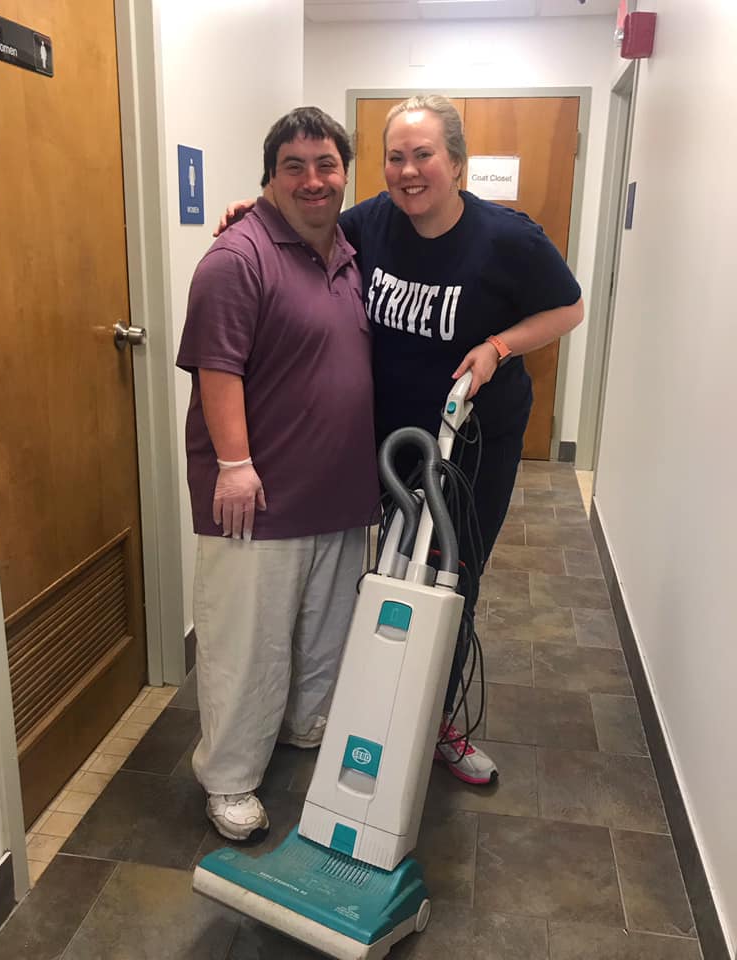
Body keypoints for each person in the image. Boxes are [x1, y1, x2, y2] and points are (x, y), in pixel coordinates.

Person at [217, 95, 583, 787]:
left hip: (471, 441)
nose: (408, 170)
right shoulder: (371, 222)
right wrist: (253, 212)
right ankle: (370, 710)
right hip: (387, 438)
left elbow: (569, 307)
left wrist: (499, 347)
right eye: (395, 157)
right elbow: (304, 220)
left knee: (450, 579)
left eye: (424, 155)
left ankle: (435, 724)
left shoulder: (507, 238)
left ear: (457, 163)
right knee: (385, 575)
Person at [176, 106, 379, 842]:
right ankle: (229, 778)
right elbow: (216, 368)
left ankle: (302, 725)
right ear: (269, 176)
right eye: (294, 166)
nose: (312, 180)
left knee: (322, 633)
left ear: (345, 174)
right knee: (247, 647)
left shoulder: (350, 253)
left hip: (338, 494)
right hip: (258, 500)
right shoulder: (238, 257)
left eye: (326, 165)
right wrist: (234, 466)